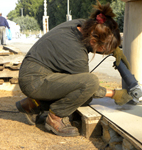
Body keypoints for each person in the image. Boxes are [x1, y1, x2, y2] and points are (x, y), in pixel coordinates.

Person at [16, 1, 133, 137]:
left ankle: (32, 104)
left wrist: (114, 49)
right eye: (105, 49)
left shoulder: (85, 25)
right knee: (89, 84)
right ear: (94, 42)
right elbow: (89, 87)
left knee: (84, 98)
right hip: (34, 81)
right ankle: (55, 118)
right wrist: (114, 94)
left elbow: (102, 34)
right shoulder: (75, 52)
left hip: (36, 73)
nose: (106, 51)